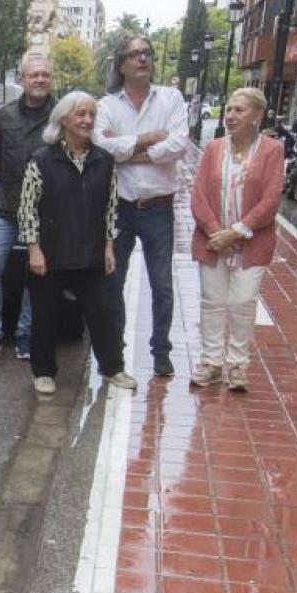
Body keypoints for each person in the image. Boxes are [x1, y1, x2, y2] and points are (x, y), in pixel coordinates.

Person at [19, 91, 138, 395]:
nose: (87, 120)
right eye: (80, 114)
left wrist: (109, 246)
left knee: (102, 313)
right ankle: (44, 372)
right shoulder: (41, 159)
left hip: (91, 252)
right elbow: (27, 208)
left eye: (91, 115)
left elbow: (111, 206)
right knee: (45, 315)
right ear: (64, 119)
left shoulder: (104, 160)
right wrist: (34, 248)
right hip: (50, 252)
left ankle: (113, 368)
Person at [95, 35, 189, 378]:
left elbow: (179, 144)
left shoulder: (171, 98)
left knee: (162, 283)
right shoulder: (107, 105)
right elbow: (101, 148)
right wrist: (146, 139)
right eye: (134, 55)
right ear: (121, 64)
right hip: (119, 207)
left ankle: (161, 351)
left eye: (147, 53)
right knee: (112, 282)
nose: (142, 59)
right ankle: (114, 350)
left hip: (159, 207)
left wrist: (132, 155)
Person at [189, 87, 284, 392]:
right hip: (212, 240)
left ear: (258, 115)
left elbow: (270, 200)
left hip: (251, 241)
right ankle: (212, 363)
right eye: (228, 109)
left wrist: (238, 231)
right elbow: (198, 194)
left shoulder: (272, 150)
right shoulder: (214, 148)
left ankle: (238, 365)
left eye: (239, 110)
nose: (230, 116)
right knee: (212, 302)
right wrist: (216, 232)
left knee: (242, 301)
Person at [0, 53, 55, 361]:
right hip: (7, 209)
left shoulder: (61, 116)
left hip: (46, 213)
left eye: (45, 74)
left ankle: (25, 335)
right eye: (34, 75)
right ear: (22, 80)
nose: (40, 79)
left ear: (51, 79)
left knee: (37, 274)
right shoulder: (4, 117)